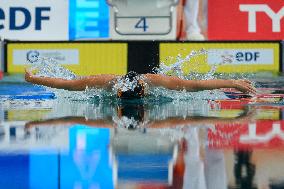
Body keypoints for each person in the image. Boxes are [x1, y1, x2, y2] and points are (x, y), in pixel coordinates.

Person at [25, 69, 256, 99]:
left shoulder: (156, 82)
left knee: (185, 83)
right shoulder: (105, 84)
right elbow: (67, 84)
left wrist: (233, 82)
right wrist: (33, 79)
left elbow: (195, 85)